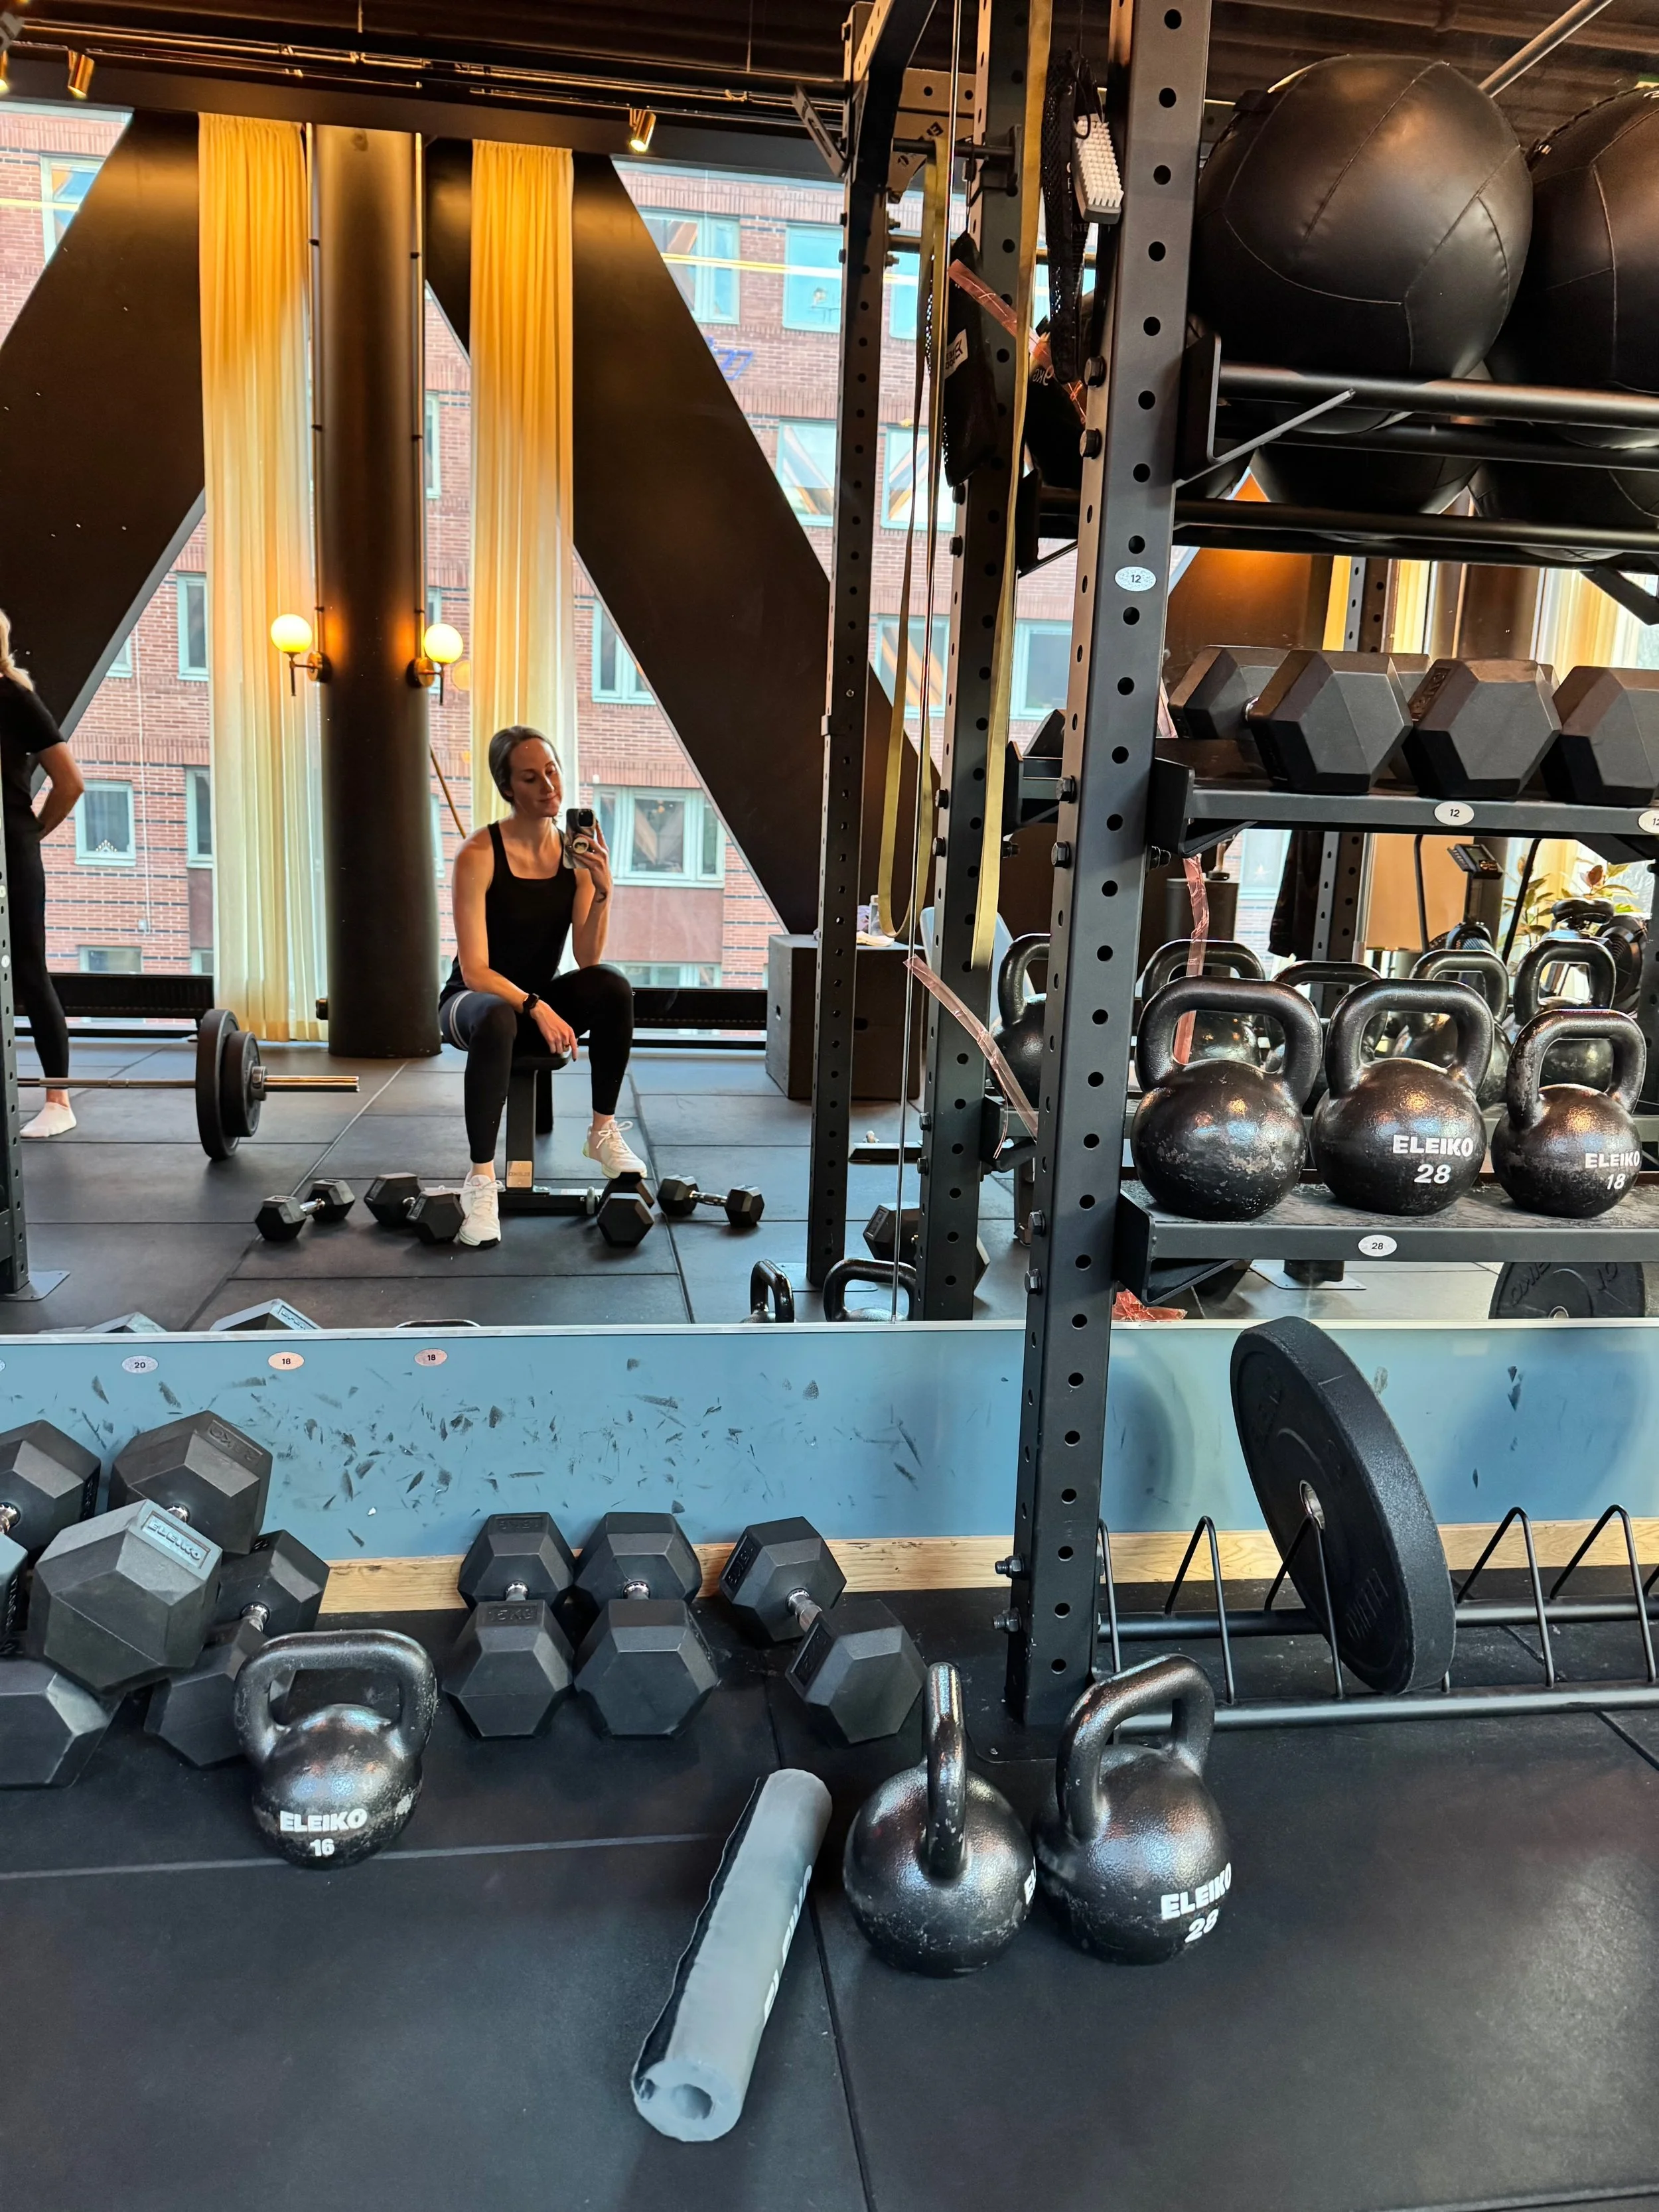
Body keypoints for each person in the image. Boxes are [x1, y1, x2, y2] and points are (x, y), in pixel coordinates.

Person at [439, 725, 642, 1248]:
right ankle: (481, 1181)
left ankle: (601, 1131)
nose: (549, 786)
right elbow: (476, 970)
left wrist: (603, 890)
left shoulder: (574, 856)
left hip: (534, 1004)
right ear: (508, 788)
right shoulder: (478, 854)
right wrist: (535, 1006)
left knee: (613, 985)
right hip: (472, 1005)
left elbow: (587, 957)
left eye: (551, 771)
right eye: (531, 778)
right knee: (496, 1014)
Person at [0, 610, 84, 1138]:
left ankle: (59, 1101)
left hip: (9, 850)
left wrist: (30, 836)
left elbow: (70, 783)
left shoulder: (14, 697)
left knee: (29, 969)